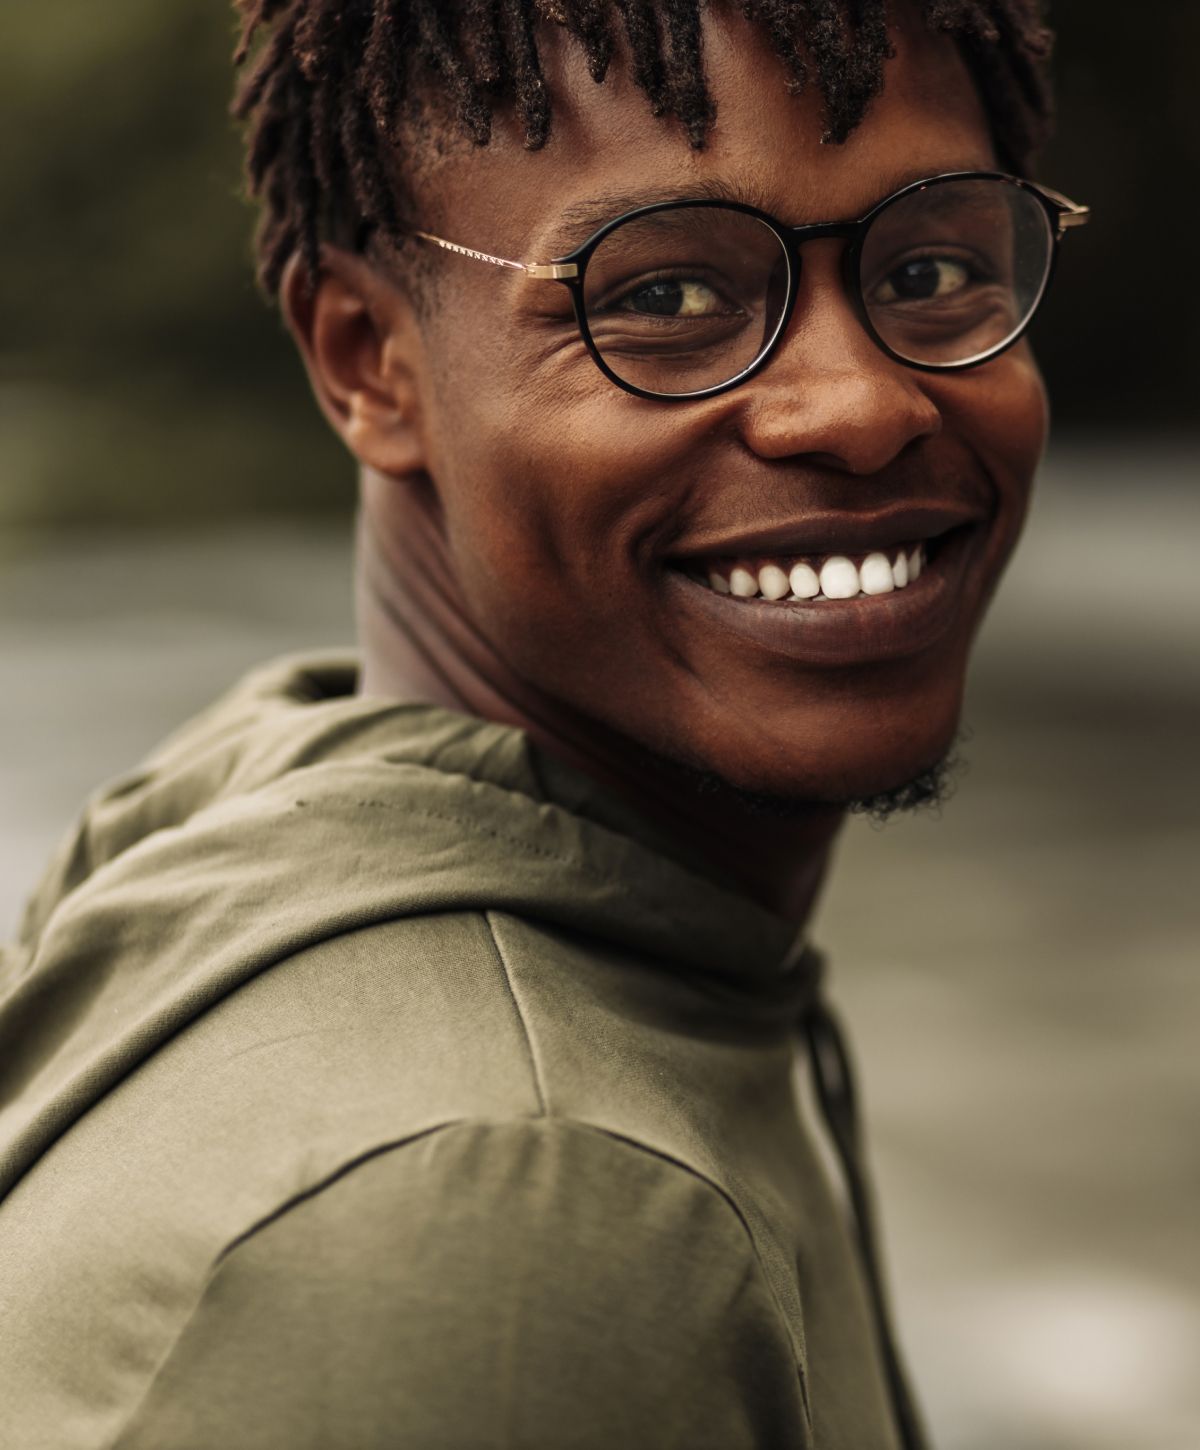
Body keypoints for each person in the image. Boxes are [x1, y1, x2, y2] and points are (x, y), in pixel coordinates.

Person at [0, 2, 1089, 1446]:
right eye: (665, 298)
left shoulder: (263, 793)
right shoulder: (519, 1196)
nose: (858, 405)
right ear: (364, 360)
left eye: (934, 267)